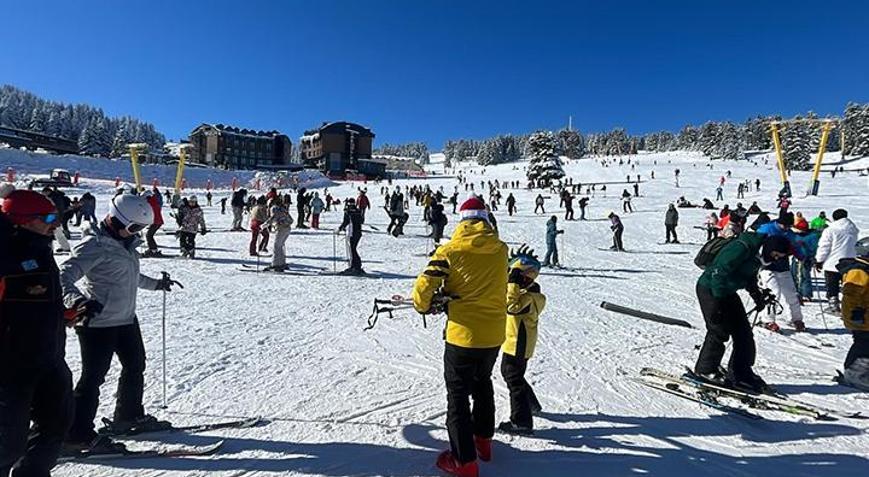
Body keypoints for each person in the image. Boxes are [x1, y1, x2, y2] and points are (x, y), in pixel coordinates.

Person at [60, 194, 182, 450]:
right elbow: (63, 277)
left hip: (126, 320)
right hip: (98, 324)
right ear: (116, 220)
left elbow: (132, 276)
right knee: (92, 379)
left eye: (140, 229)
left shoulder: (125, 245)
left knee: (135, 366)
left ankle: (128, 416)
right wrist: (77, 302)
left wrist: (157, 284)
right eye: (134, 228)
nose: (136, 233)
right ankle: (75, 434)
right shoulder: (92, 246)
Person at [412, 196, 507, 477]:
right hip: (494, 335)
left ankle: (464, 462)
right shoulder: (501, 249)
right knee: (483, 384)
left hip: (463, 336)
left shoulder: (450, 250)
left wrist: (425, 304)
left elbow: (423, 288)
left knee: (457, 398)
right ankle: (483, 440)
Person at [0, 190, 74, 476]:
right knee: (8, 443)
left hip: (49, 356)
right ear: (22, 220)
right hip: (11, 366)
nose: (55, 224)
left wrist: (64, 315)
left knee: (56, 426)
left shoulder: (40, 247)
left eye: (56, 216)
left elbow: (35, 300)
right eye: (48, 218)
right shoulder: (5, 257)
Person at [694, 226, 772, 392]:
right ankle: (705, 370)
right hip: (710, 289)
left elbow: (749, 276)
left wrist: (757, 295)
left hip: (726, 292)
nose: (777, 259)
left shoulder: (757, 256)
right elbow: (718, 273)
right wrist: (716, 306)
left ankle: (741, 372)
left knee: (743, 332)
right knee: (719, 330)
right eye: (777, 255)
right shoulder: (741, 248)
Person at [499, 246, 545, 436]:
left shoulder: (529, 297)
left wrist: (513, 285)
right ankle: (531, 404)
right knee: (511, 374)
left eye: (515, 276)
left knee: (513, 379)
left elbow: (511, 306)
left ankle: (522, 422)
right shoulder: (528, 293)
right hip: (514, 341)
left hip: (519, 343)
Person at [757, 213, 805, 332]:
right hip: (767, 266)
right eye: (784, 225)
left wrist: (801, 255)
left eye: (789, 226)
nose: (787, 228)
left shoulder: (789, 233)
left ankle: (796, 319)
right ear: (778, 222)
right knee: (773, 293)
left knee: (791, 294)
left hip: (783, 267)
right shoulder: (766, 229)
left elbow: (796, 245)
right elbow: (755, 242)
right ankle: (767, 320)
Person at [815, 209, 859, 313]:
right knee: (847, 286)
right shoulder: (853, 229)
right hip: (850, 262)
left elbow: (824, 247)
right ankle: (849, 306)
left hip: (833, 262)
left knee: (832, 286)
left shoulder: (831, 230)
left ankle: (834, 306)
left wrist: (819, 260)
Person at [837, 252, 869, 390]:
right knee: (864, 344)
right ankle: (855, 375)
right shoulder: (859, 271)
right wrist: (856, 312)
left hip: (864, 315)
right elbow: (851, 294)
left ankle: (856, 372)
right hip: (861, 317)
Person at [264, 197, 293, 272]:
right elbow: (291, 219)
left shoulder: (274, 208)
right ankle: (282, 263)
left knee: (276, 246)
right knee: (281, 245)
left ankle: (275, 264)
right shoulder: (283, 208)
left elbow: (273, 217)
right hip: (287, 228)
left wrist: (264, 225)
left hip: (281, 228)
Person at [337, 198, 364, 275]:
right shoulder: (358, 211)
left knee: (352, 249)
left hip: (352, 232)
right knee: (353, 249)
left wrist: (339, 229)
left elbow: (345, 221)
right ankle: (354, 265)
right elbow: (361, 220)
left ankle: (356, 266)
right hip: (358, 232)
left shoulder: (348, 212)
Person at [142, 191, 164, 257]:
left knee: (149, 235)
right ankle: (153, 249)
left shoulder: (150, 202)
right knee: (149, 235)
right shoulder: (154, 200)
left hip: (156, 221)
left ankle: (153, 250)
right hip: (157, 221)